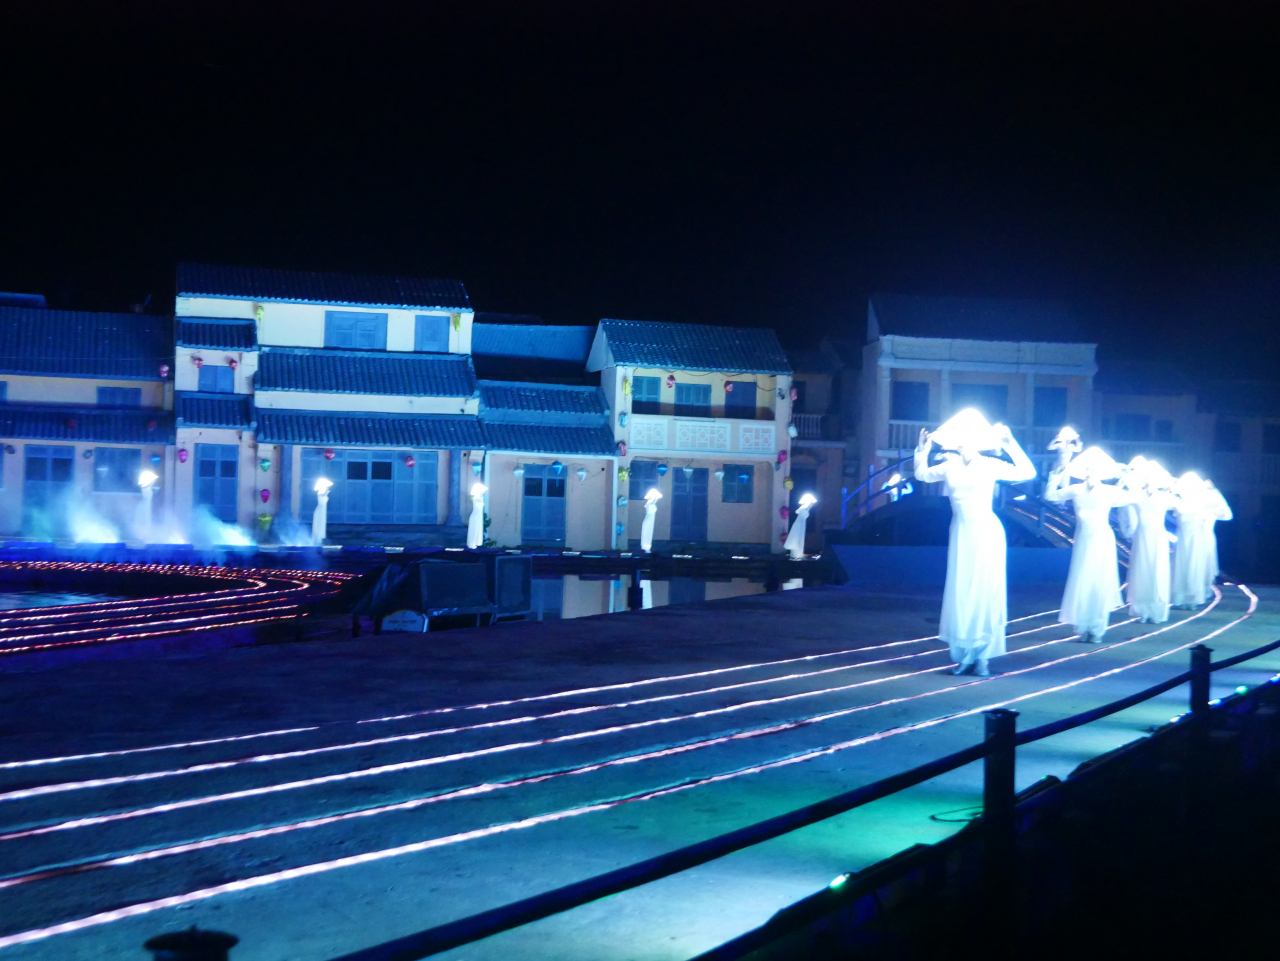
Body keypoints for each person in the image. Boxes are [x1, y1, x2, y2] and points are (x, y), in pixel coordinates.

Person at [914, 410, 1037, 676]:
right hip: (961, 532)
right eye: (959, 436)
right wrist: (922, 450)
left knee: (984, 592)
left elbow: (1028, 472)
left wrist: (1010, 444)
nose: (962, 441)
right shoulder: (949, 465)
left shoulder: (990, 464)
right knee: (961, 593)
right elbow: (922, 475)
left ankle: (983, 657)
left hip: (986, 531)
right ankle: (964, 656)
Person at [1043, 447, 1132, 642]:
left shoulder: (1109, 491)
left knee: (1099, 581)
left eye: (1093, 468)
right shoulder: (1076, 489)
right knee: (1083, 581)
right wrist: (1056, 476)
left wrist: (1128, 478)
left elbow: (1132, 497)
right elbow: (1050, 496)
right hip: (1083, 540)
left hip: (1102, 539)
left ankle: (1097, 629)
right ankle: (1083, 627)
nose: (1090, 471)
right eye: (1087, 468)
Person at [1120, 457, 1177, 623]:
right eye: (1146, 478)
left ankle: (1157, 611)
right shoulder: (1137, 496)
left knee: (1157, 572)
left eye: (1151, 478)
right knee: (1141, 572)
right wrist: (1122, 483)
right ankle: (1142, 610)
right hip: (1141, 538)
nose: (1148, 481)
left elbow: (1184, 505)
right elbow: (1119, 500)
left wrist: (1174, 488)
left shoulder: (1165, 497)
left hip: (1158, 538)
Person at [1171, 471, 1219, 609]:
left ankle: (1193, 599)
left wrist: (1213, 490)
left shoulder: (1201, 504)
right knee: (1182, 568)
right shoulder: (1178, 503)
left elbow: (1223, 512)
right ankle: (1181, 598)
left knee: (1194, 567)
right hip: (1182, 542)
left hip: (1195, 540)